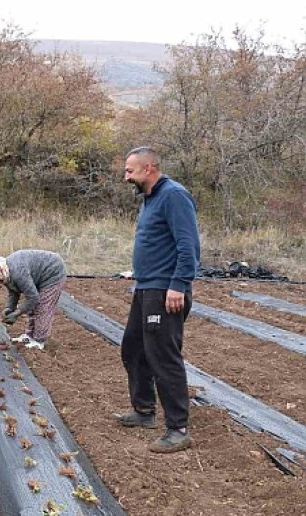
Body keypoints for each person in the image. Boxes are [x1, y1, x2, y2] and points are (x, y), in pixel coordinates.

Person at [118, 146, 200, 454]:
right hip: (146, 289)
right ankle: (144, 412)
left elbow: (188, 244)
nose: (126, 177)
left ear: (149, 169)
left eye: (131, 171)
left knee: (163, 357)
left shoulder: (174, 196)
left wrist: (178, 285)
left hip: (166, 291)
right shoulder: (150, 199)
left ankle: (178, 429)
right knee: (134, 350)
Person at [0, 250, 67, 350]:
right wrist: (9, 308)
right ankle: (29, 336)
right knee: (32, 308)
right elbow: (13, 292)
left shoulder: (17, 272)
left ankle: (39, 341)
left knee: (42, 307)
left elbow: (33, 298)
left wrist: (17, 313)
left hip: (53, 272)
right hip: (38, 275)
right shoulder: (6, 273)